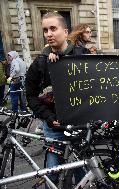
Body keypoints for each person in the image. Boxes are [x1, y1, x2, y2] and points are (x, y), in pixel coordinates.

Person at [25, 12, 90, 187]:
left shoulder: (82, 55)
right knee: (51, 174)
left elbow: (96, 87)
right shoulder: (40, 63)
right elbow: (30, 96)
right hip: (53, 128)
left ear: (66, 32)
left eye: (53, 28)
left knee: (81, 172)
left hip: (78, 127)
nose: (49, 34)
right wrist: (48, 116)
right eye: (45, 30)